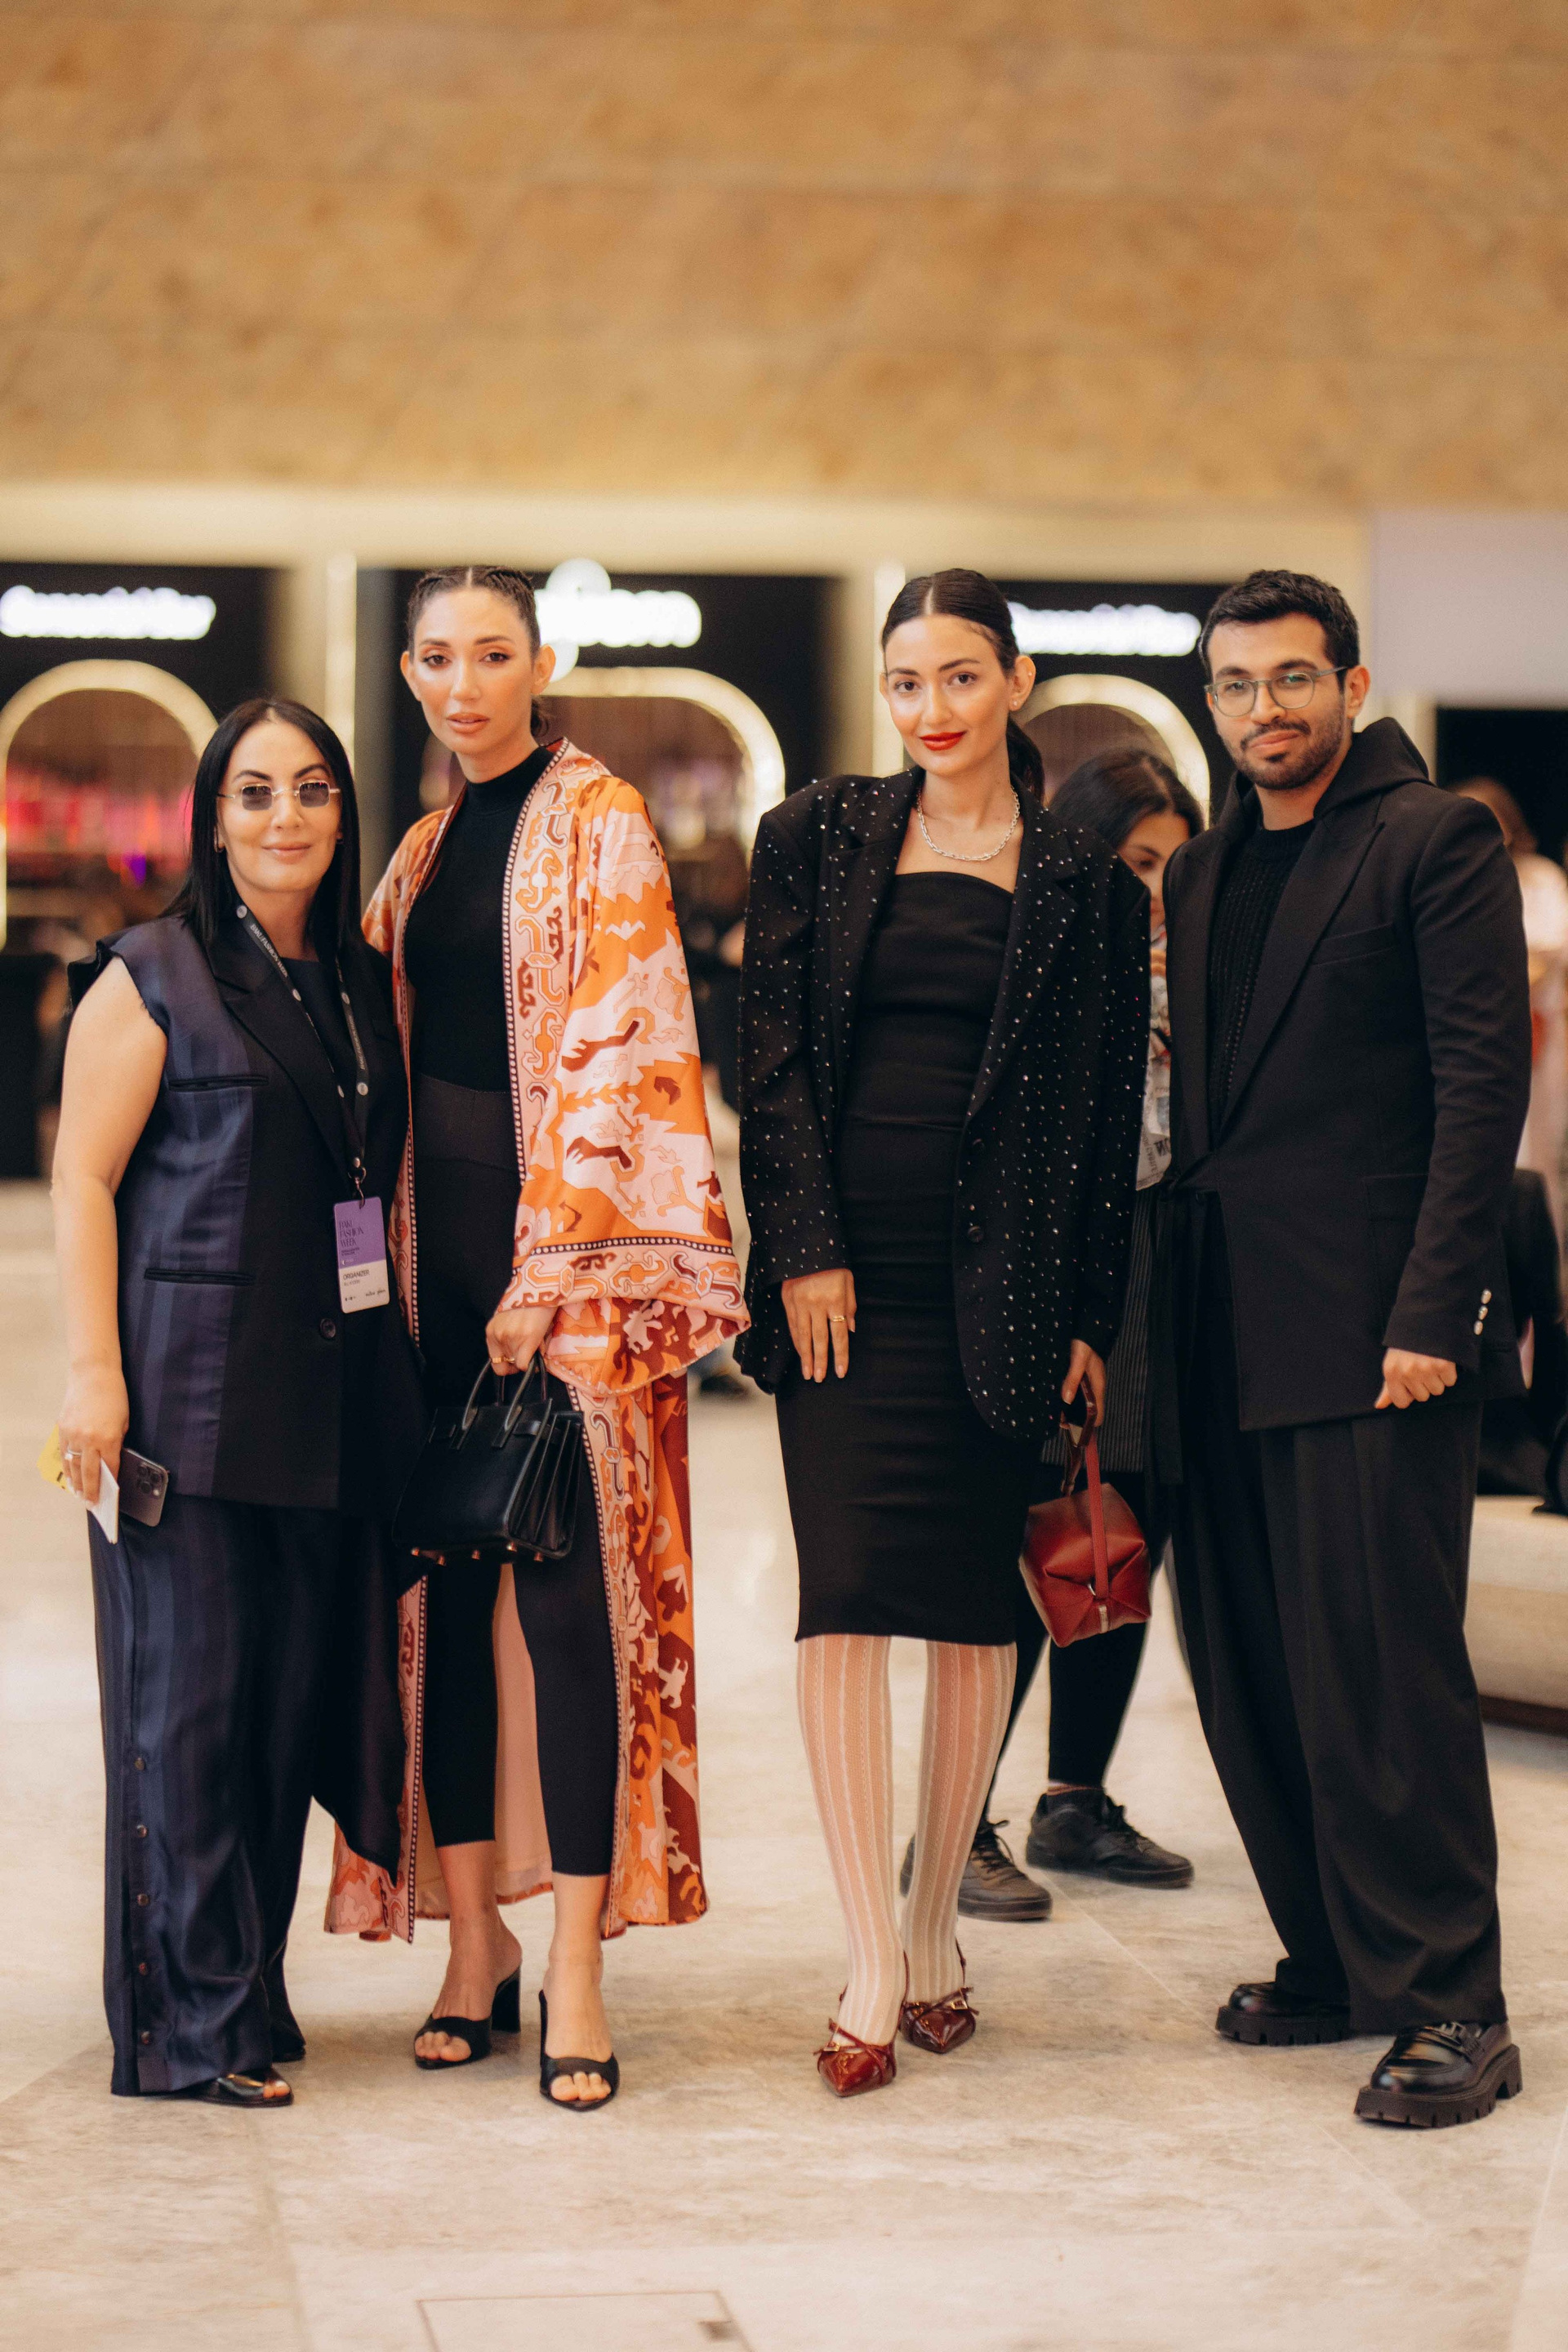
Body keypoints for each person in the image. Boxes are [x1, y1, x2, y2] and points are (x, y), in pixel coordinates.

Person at [324, 566, 745, 2109]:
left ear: (539, 662)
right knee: (441, 1599)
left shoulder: (603, 820)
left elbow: (627, 1048)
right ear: (412, 673)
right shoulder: (420, 851)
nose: (463, 684)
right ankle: (472, 1948)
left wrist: (549, 1264)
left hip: (570, 1284)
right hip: (426, 1280)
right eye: (437, 657)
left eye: (491, 653)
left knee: (570, 1607)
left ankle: (576, 1961)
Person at [738, 568, 1147, 2096]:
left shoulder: (1088, 881)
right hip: (846, 1284)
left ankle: (930, 1929)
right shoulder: (819, 834)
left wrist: (1091, 1316)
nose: (933, 709)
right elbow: (769, 1060)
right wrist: (805, 1250)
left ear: (1017, 681)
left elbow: (1105, 1118)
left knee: (978, 1613)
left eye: (961, 677)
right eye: (906, 681)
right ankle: (867, 1952)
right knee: (844, 1599)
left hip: (1010, 1285)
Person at [1157, 568, 1530, 2127]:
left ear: (1353, 687)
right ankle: (1335, 1956)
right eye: (1237, 686)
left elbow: (1481, 1089)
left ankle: (1452, 2002)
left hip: (1378, 1333)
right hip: (1222, 1325)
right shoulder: (1204, 867)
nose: (1266, 710)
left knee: (1383, 1675)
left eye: (1293, 679)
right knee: (1251, 1669)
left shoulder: (1433, 841)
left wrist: (1437, 1312)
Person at [52, 698, 424, 2107]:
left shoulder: (359, 978)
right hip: (182, 1403)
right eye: (255, 792)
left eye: (313, 790)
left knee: (279, 1711)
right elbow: (85, 1178)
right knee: (189, 1711)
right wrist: (94, 1374)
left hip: (326, 1401)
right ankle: (185, 2028)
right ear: (213, 818)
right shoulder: (152, 973)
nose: (286, 817)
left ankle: (245, 1993)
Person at [903, 746, 1202, 1921]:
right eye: (1137, 863)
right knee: (1022, 1537)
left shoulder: (1195, 976)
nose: (1157, 891)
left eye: (1174, 867)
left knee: (1122, 1529)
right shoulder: (1040, 961)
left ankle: (1074, 1798)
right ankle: (955, 1823)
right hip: (1058, 1268)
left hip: (1163, 1261)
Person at [1454, 778, 1568, 1241]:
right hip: (1465, 1040)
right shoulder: (1448, 886)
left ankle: (1538, 1258)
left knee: (1535, 1150)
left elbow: (1549, 950)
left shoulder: (1540, 879)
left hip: (1534, 1035)